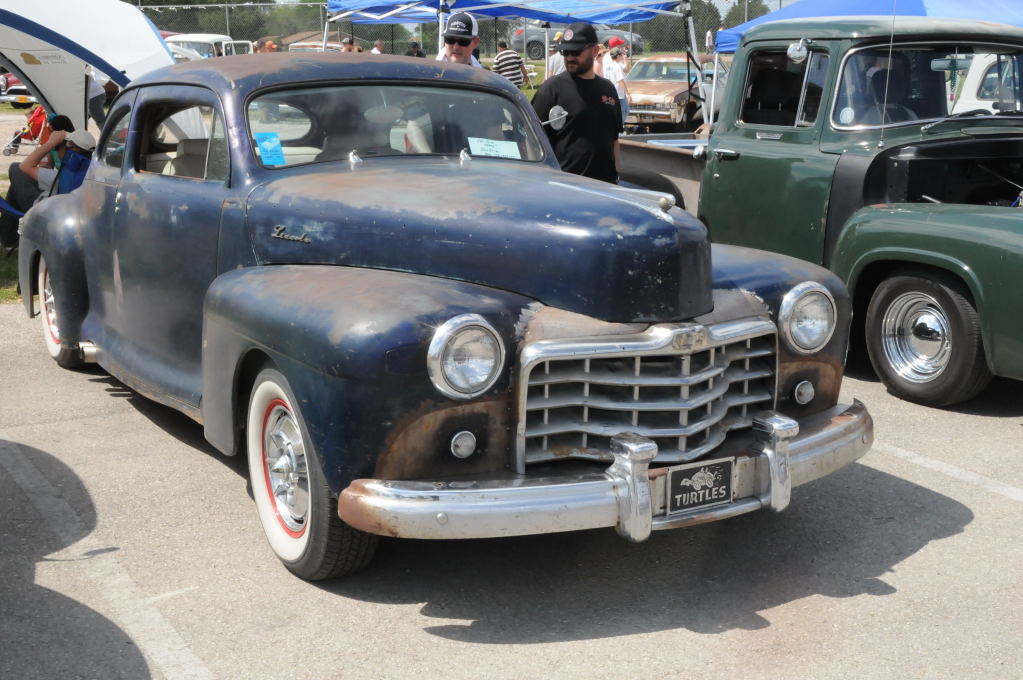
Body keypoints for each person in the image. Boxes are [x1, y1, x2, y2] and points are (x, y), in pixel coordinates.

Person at [531, 22, 622, 184]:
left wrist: (617, 177)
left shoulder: (608, 89)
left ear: (595, 51)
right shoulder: (551, 90)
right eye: (565, 52)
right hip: (566, 189)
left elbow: (614, 140)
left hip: (606, 188)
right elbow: (530, 141)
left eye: (576, 52)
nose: (570, 57)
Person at [0, 129, 95, 249]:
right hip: (64, 216)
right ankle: (7, 238)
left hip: (42, 215)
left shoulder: (62, 177)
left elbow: (23, 167)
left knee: (15, 169)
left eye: (56, 148)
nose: (55, 151)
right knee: (16, 187)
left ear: (68, 151)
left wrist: (50, 144)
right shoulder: (89, 177)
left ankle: (8, 238)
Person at [605, 46, 630, 125]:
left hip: (610, 93)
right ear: (618, 56)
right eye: (621, 55)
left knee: (622, 111)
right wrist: (627, 94)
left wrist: (625, 60)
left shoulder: (608, 66)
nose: (622, 56)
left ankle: (615, 126)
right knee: (623, 112)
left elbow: (626, 69)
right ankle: (618, 128)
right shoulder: (617, 66)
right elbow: (620, 81)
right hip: (619, 94)